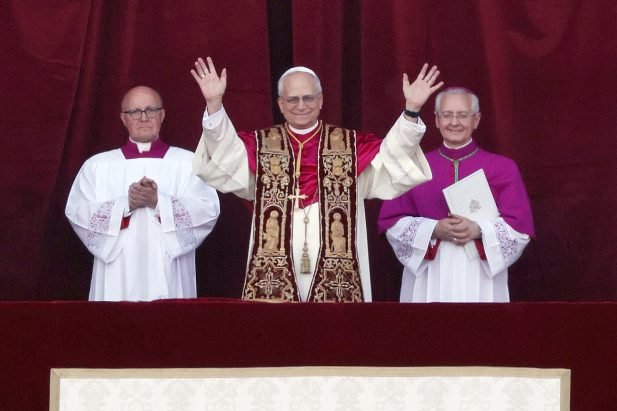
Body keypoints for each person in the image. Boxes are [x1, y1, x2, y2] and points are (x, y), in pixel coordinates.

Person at [190, 56, 442, 302]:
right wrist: (214, 104)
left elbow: (392, 156)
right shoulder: (259, 145)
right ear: (280, 104)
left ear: (321, 100)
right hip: (272, 266)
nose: (301, 105)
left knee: (331, 328)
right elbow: (225, 153)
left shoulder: (351, 146)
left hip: (339, 267)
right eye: (292, 99)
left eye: (308, 98)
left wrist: (411, 110)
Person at [378, 87, 535, 302]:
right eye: (447, 115)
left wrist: (478, 229)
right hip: (429, 271)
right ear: (436, 120)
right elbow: (391, 223)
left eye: (462, 115)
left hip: (481, 272)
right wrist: (434, 229)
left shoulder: (503, 168)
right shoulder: (413, 168)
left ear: (476, 120)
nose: (454, 122)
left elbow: (519, 228)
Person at [65, 86, 220, 301]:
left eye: (151, 110)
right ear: (124, 118)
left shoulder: (188, 163)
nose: (143, 117)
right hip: (116, 271)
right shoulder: (98, 166)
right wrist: (126, 204)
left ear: (162, 115)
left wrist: (159, 202)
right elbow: (77, 212)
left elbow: (207, 210)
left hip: (168, 270)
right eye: (135, 112)